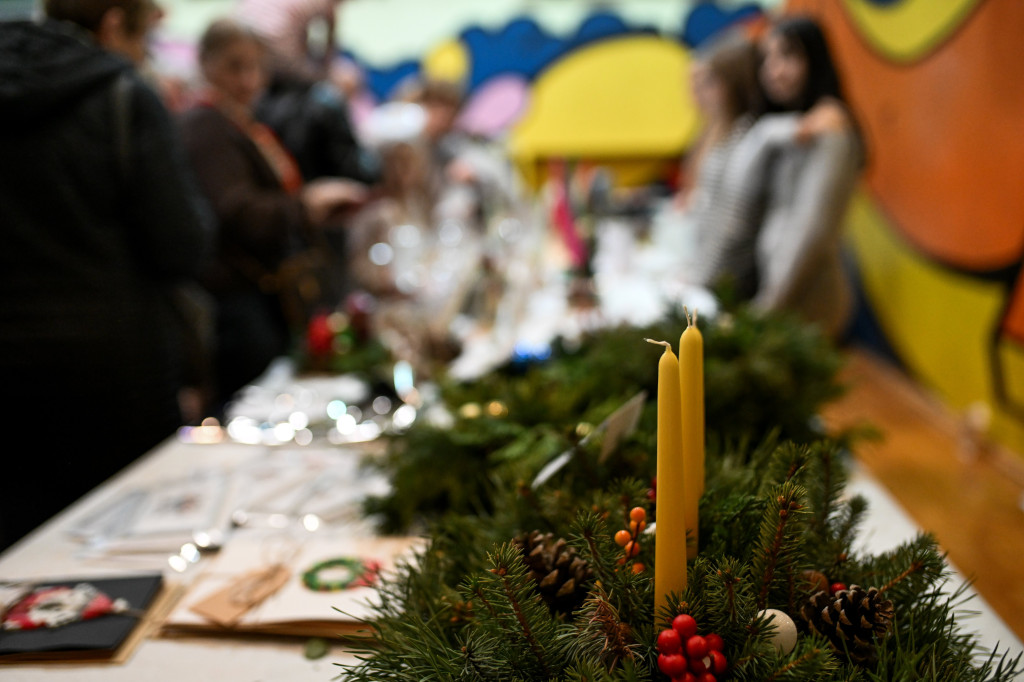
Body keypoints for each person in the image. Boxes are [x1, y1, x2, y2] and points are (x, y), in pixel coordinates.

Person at [0, 0, 213, 550]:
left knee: (24, 569)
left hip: (11, 376)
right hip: (116, 373)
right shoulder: (120, 93)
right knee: (132, 556)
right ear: (114, 23)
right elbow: (181, 246)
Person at [179, 18, 367, 413]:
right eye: (235, 67)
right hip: (236, 304)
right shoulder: (205, 124)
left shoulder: (238, 123)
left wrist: (314, 212)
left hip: (258, 300)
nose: (248, 80)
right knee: (249, 412)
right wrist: (306, 205)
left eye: (256, 67)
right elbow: (236, 211)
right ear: (205, 65)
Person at [697, 14, 863, 340]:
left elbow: (811, 232)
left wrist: (768, 307)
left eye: (788, 55)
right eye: (767, 59)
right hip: (777, 291)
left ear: (815, 59)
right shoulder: (791, 124)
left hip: (806, 297)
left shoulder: (829, 128)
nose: (774, 70)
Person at [677, 30, 764, 296]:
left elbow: (732, 224)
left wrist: (701, 278)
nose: (698, 93)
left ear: (733, 82)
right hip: (708, 270)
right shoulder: (719, 130)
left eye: (708, 82)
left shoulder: (744, 136)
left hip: (725, 281)